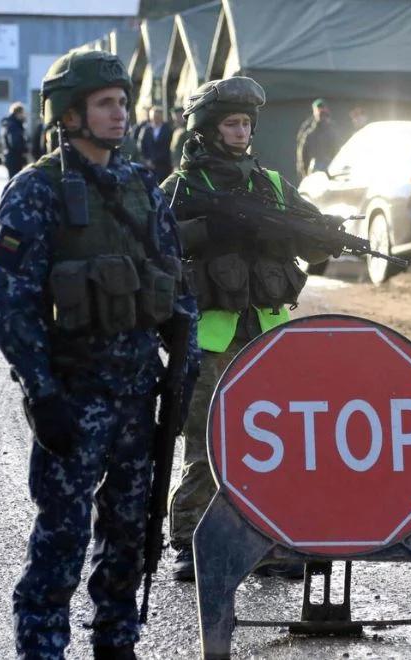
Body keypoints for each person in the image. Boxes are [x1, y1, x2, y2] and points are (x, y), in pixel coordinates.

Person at [0, 49, 200, 659]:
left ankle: (116, 640)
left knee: (131, 533)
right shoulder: (35, 192)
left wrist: (180, 378)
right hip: (73, 398)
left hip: (138, 398)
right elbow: (9, 306)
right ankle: (42, 647)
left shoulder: (141, 189)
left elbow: (176, 291)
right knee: (61, 537)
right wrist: (41, 392)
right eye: (105, 104)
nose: (120, 115)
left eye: (122, 103)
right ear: (69, 113)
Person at [161, 77, 335, 582]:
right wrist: (211, 232)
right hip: (212, 338)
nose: (240, 132)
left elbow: (317, 243)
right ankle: (192, 541)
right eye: (231, 123)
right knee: (206, 442)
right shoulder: (184, 188)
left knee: (273, 441)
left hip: (268, 336)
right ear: (207, 130)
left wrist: (307, 233)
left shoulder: (273, 186)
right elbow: (156, 244)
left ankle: (272, 541)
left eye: (245, 124)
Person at [294, 98, 342, 179]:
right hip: (314, 174)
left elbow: (339, 153)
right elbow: (303, 157)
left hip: (332, 173)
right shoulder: (309, 134)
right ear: (314, 112)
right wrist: (305, 175)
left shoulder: (333, 132)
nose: (321, 113)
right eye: (318, 110)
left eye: (322, 110)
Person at [137, 105, 173, 183]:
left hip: (163, 166)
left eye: (157, 116)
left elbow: (168, 148)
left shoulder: (168, 130)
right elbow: (141, 146)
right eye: (153, 116)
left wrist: (155, 161)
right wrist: (146, 161)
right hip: (148, 166)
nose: (155, 118)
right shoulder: (145, 130)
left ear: (161, 116)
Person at [0, 102, 29, 180]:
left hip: (11, 157)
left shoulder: (11, 124)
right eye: (22, 113)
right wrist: (25, 150)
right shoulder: (13, 125)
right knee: (14, 181)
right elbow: (15, 143)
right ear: (18, 113)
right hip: (14, 159)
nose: (24, 115)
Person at [168, 106, 189, 171]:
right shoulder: (176, 129)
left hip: (184, 166)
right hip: (176, 165)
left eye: (177, 117)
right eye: (174, 117)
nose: (175, 119)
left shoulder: (188, 130)